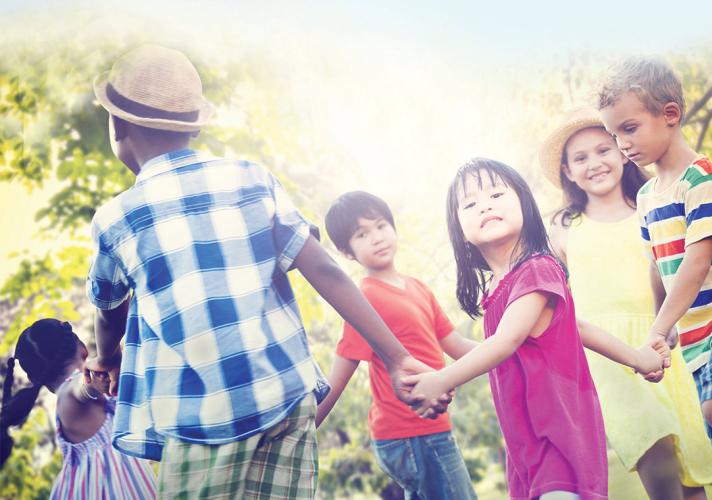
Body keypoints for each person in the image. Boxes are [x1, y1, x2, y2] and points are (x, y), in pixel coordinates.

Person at [83, 44, 448, 498]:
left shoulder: (117, 218)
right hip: (284, 399)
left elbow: (108, 306)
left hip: (202, 418)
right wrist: (396, 358)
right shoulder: (250, 179)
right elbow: (325, 269)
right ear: (194, 127)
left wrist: (106, 355)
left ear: (118, 127)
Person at [404, 158, 669, 500]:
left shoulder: (538, 270)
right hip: (524, 442)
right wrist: (638, 358)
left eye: (496, 194)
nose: (484, 205)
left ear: (525, 207)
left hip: (556, 432)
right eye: (469, 204)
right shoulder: (498, 290)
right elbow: (570, 331)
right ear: (461, 233)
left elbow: (506, 342)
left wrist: (443, 379)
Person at [541, 107, 712, 499]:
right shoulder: (564, 227)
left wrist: (669, 325)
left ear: (622, 152)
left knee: (690, 469)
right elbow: (557, 301)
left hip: (662, 340)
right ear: (568, 172)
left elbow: (674, 271)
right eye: (580, 158)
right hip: (607, 355)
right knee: (652, 443)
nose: (595, 163)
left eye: (603, 150)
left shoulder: (652, 207)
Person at [599, 57, 712, 477]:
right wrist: (663, 329)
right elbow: (660, 267)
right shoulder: (648, 197)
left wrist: (655, 329)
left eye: (629, 128)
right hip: (701, 331)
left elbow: (696, 263)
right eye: (614, 134)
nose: (622, 144)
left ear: (670, 115)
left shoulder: (702, 181)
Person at [316, 191, 477, 500]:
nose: (376, 238)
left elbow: (455, 345)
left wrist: (512, 346)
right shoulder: (363, 300)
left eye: (380, 226)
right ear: (347, 251)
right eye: (362, 234)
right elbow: (339, 375)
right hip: (410, 435)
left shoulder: (418, 288)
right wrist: (306, 429)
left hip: (430, 429)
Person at [0, 319, 156, 499]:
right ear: (82, 348)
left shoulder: (75, 394)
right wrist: (93, 383)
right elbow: (80, 387)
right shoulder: (69, 395)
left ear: (34, 379)